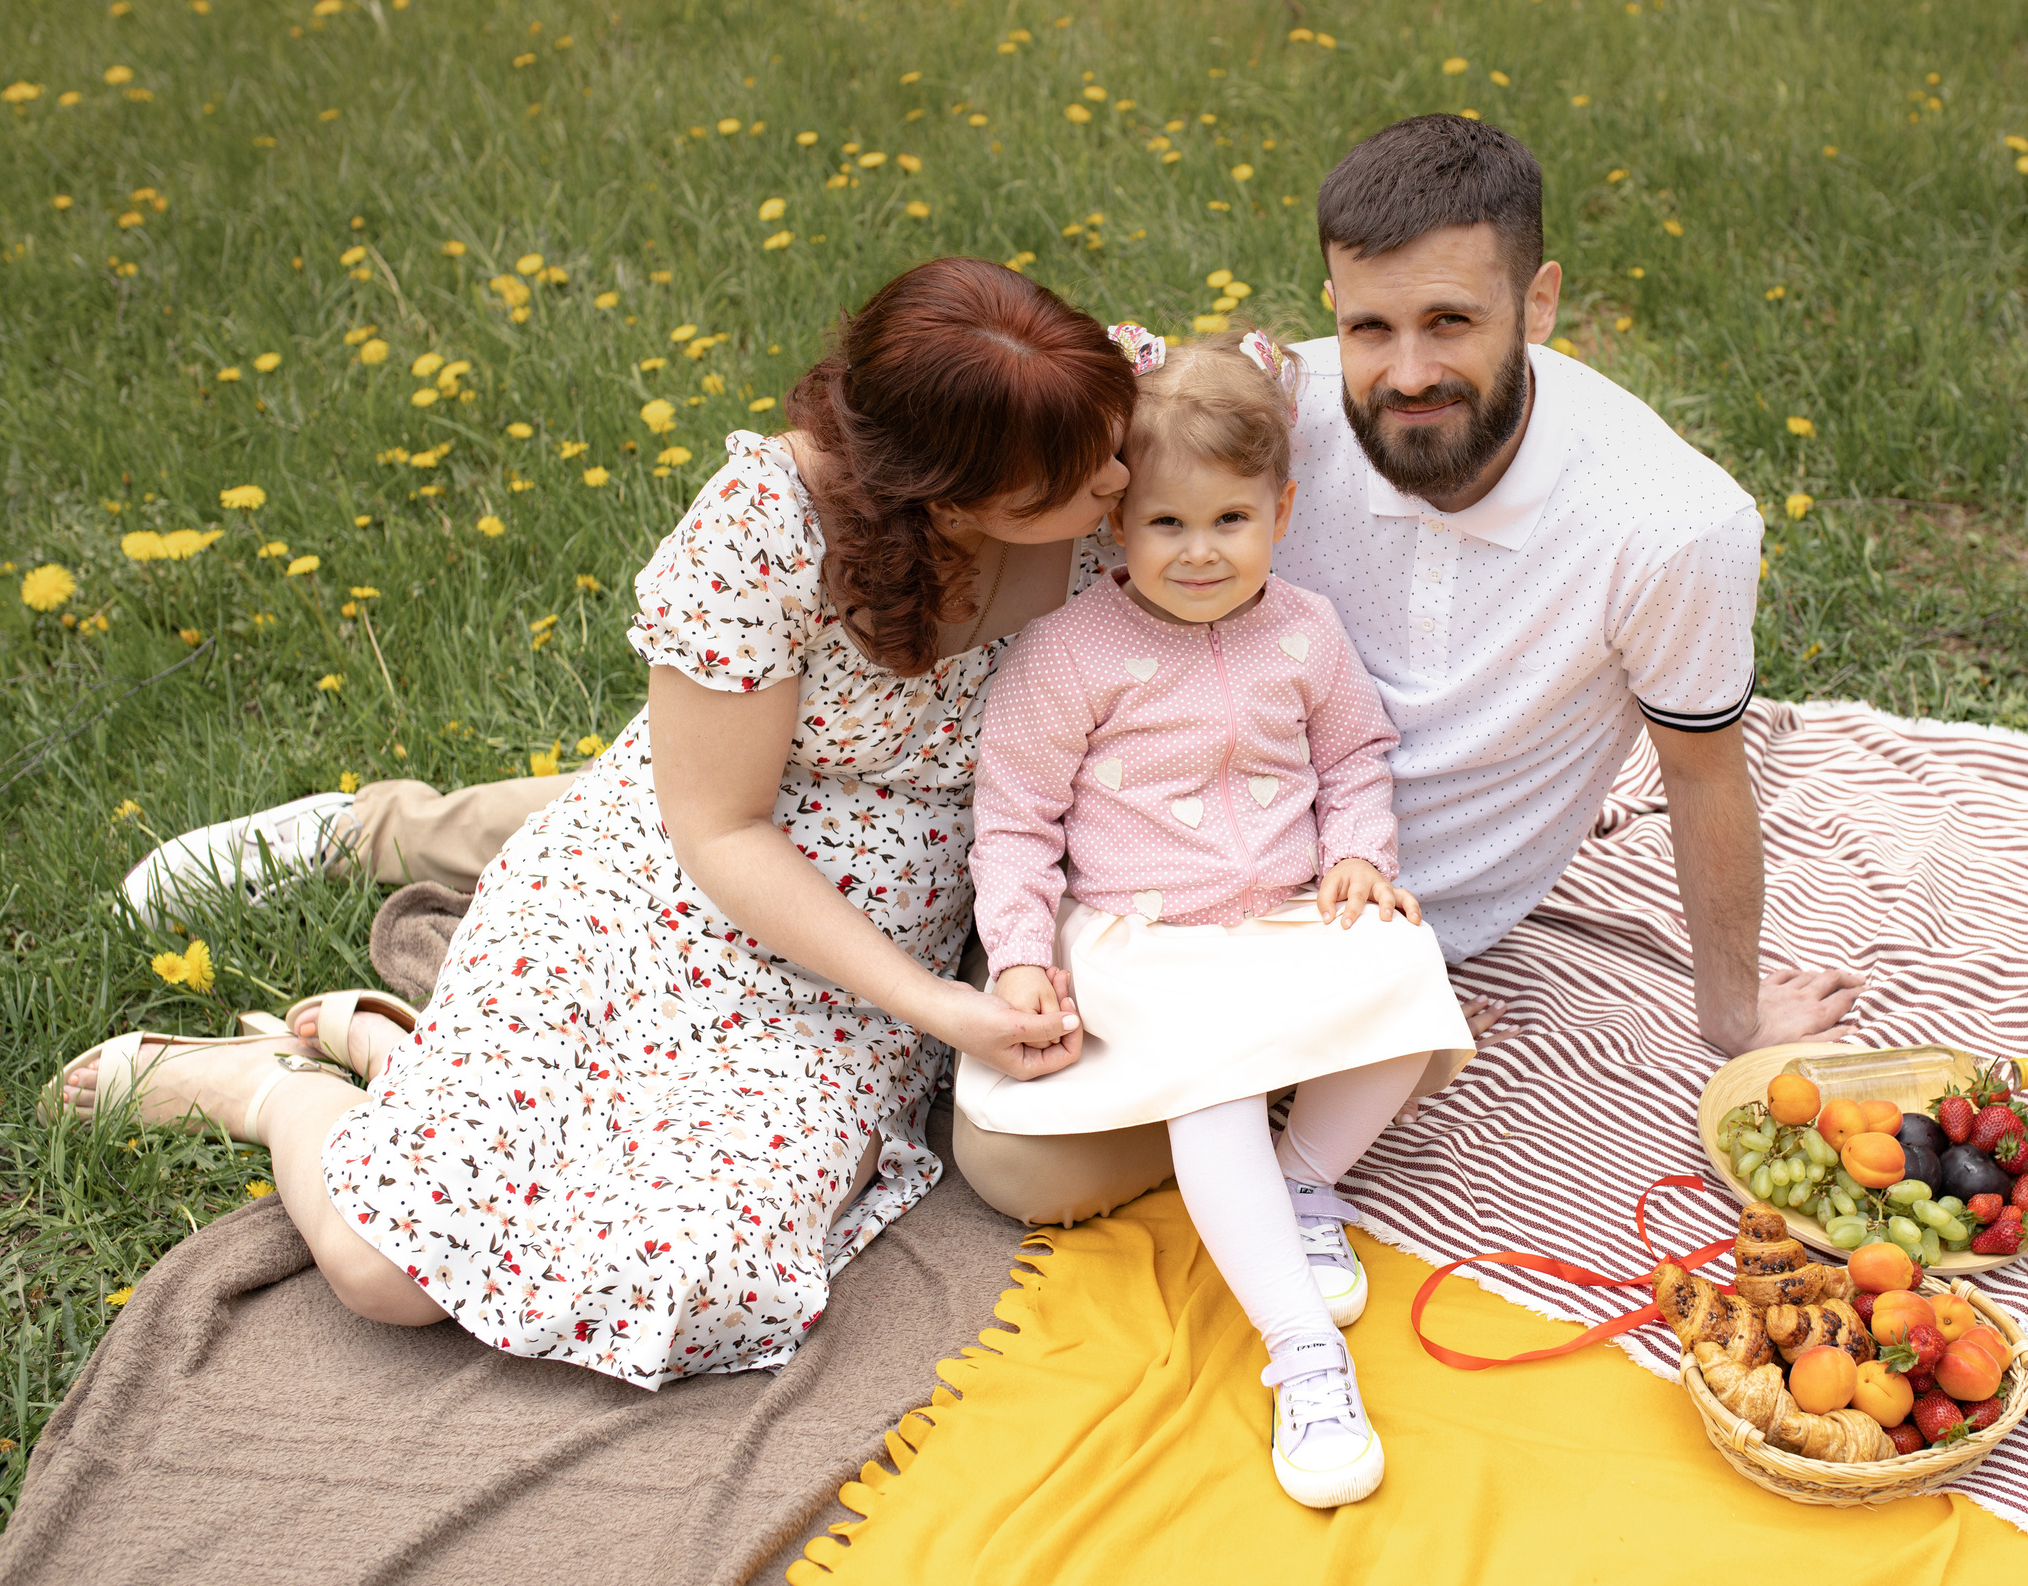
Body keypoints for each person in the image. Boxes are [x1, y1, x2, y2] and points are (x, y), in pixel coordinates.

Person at [122, 114, 1864, 1234]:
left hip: (1134, 856)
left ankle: (408, 964)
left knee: (825, 853)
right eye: (1367, 327)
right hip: (919, 821)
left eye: (1453, 326)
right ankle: (394, 829)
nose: (1123, 514)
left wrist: (1723, 1014)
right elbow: (738, 804)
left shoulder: (1627, 514)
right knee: (681, 805)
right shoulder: (858, 505)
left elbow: (1694, 765)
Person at [62, 259, 1140, 1384]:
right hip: (687, 884)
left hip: (877, 925)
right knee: (387, 1273)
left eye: (1117, 438)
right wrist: (937, 1007)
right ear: (950, 498)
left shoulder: (1076, 414)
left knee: (691, 1280)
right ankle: (283, 1095)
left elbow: (1253, 408)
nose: (1122, 472)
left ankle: (389, 1049)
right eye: (1083, 472)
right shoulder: (765, 529)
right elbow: (720, 830)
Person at [961, 326, 1472, 1506]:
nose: (1199, 553)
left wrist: (1355, 857)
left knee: (1406, 966)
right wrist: (1022, 958)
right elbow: (1018, 822)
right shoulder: (1071, 653)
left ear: (1280, 513)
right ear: (1114, 526)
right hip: (1146, 936)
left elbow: (1355, 757)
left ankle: (1301, 1182)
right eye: (1166, 525)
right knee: (1214, 1077)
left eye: (1229, 523)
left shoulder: (1305, 630)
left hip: (1280, 915)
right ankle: (1302, 1354)